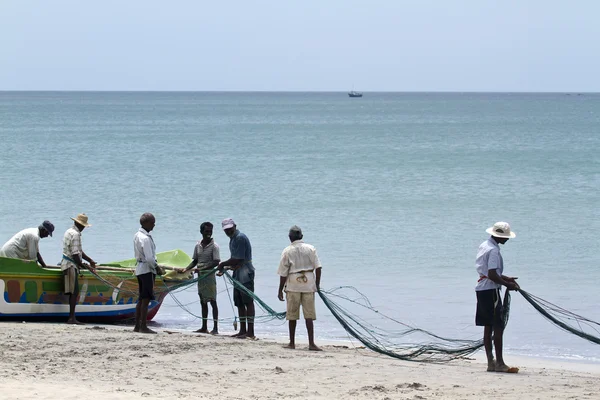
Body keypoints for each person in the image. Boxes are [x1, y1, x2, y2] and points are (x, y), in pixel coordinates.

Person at [475, 221, 520, 373]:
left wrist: (506, 279)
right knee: (498, 326)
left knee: (488, 327)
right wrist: (508, 285)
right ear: (498, 236)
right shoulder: (494, 250)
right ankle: (499, 363)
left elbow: (487, 272)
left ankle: (491, 362)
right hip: (491, 291)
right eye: (505, 237)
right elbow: (493, 274)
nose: (507, 239)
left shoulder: (484, 245)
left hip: (482, 289)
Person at [277, 225, 322, 351]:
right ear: (301, 236)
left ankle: (292, 343)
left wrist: (280, 289)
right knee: (309, 315)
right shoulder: (311, 248)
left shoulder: (287, 251)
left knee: (292, 315)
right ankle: (311, 343)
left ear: (290, 238)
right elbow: (318, 268)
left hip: (293, 285)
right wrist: (317, 284)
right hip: (308, 284)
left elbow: (283, 273)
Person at [178, 222, 220, 334]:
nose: (209, 234)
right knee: (203, 301)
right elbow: (195, 261)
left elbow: (216, 262)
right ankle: (204, 327)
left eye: (210, 231)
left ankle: (215, 328)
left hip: (209, 276)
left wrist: (202, 268)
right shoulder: (198, 245)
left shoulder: (214, 246)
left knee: (212, 301)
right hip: (201, 276)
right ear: (201, 232)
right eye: (206, 231)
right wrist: (186, 269)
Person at [217, 218, 255, 339]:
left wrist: (223, 264)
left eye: (230, 228)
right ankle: (243, 330)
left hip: (245, 272)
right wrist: (227, 267)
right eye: (226, 230)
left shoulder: (240, 237)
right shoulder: (233, 239)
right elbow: (235, 260)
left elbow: (238, 258)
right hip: (237, 272)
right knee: (239, 302)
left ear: (235, 226)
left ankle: (250, 332)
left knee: (247, 301)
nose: (228, 231)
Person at [60, 213, 96, 324]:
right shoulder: (75, 234)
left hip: (66, 263)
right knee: (74, 292)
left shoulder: (69, 231)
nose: (84, 228)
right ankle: (71, 318)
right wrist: (84, 266)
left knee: (72, 292)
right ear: (81, 225)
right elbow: (75, 255)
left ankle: (72, 317)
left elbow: (79, 251)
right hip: (71, 265)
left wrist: (89, 260)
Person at [133, 212, 165, 334]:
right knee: (145, 299)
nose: (154, 225)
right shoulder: (145, 238)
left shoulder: (137, 235)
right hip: (146, 269)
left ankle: (137, 325)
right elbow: (150, 258)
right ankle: (143, 326)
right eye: (152, 223)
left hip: (140, 269)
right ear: (146, 223)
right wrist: (157, 268)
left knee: (141, 298)